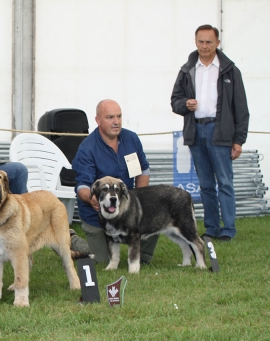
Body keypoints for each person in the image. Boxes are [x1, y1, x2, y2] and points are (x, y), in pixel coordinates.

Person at [171, 24, 249, 242]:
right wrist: (186, 104)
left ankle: (229, 229)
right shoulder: (187, 69)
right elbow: (175, 102)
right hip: (196, 131)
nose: (204, 46)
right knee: (205, 184)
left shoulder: (230, 71)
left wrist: (238, 140)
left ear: (217, 43)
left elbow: (241, 109)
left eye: (209, 42)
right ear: (195, 42)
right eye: (200, 41)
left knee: (225, 182)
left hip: (220, 131)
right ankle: (212, 228)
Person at [72, 100, 158, 263]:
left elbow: (143, 170)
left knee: (155, 212)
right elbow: (82, 186)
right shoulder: (87, 148)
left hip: (126, 207)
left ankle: (143, 257)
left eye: (119, 116)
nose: (116, 122)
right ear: (98, 120)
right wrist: (92, 199)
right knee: (100, 261)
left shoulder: (131, 138)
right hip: (96, 214)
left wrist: (142, 200)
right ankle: (72, 239)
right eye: (110, 117)